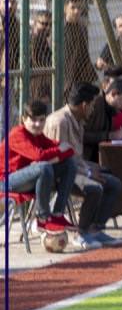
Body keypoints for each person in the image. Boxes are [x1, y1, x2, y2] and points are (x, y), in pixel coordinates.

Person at [46, 83, 122, 248]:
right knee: (95, 188)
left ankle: (95, 229)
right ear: (84, 105)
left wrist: (91, 168)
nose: (93, 109)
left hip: (75, 169)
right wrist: (88, 173)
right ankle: (80, 233)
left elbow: (76, 157)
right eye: (92, 105)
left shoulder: (78, 120)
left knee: (113, 182)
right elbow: (59, 161)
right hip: (59, 174)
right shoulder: (60, 122)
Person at [3, 98, 85, 247]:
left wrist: (57, 153)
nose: (38, 124)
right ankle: (43, 218)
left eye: (41, 120)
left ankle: (57, 214)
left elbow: (68, 150)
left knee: (69, 164)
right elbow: (38, 156)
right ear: (24, 119)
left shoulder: (38, 136)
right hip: (6, 181)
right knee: (43, 167)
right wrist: (57, 152)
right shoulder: (17, 134)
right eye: (33, 120)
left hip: (27, 178)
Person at [82, 76, 122, 165]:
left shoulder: (112, 108)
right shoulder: (94, 105)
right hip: (85, 161)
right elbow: (80, 135)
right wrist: (110, 135)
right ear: (113, 93)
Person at [63, 0, 96, 89]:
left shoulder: (83, 29)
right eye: (73, 8)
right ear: (65, 8)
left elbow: (84, 52)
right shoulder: (59, 29)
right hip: (64, 78)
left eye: (79, 8)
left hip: (80, 77)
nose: (76, 11)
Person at [29, 10, 52, 101]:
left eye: (50, 24)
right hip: (35, 89)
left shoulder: (44, 41)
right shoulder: (33, 41)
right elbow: (39, 63)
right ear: (35, 24)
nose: (48, 27)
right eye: (44, 24)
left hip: (43, 87)